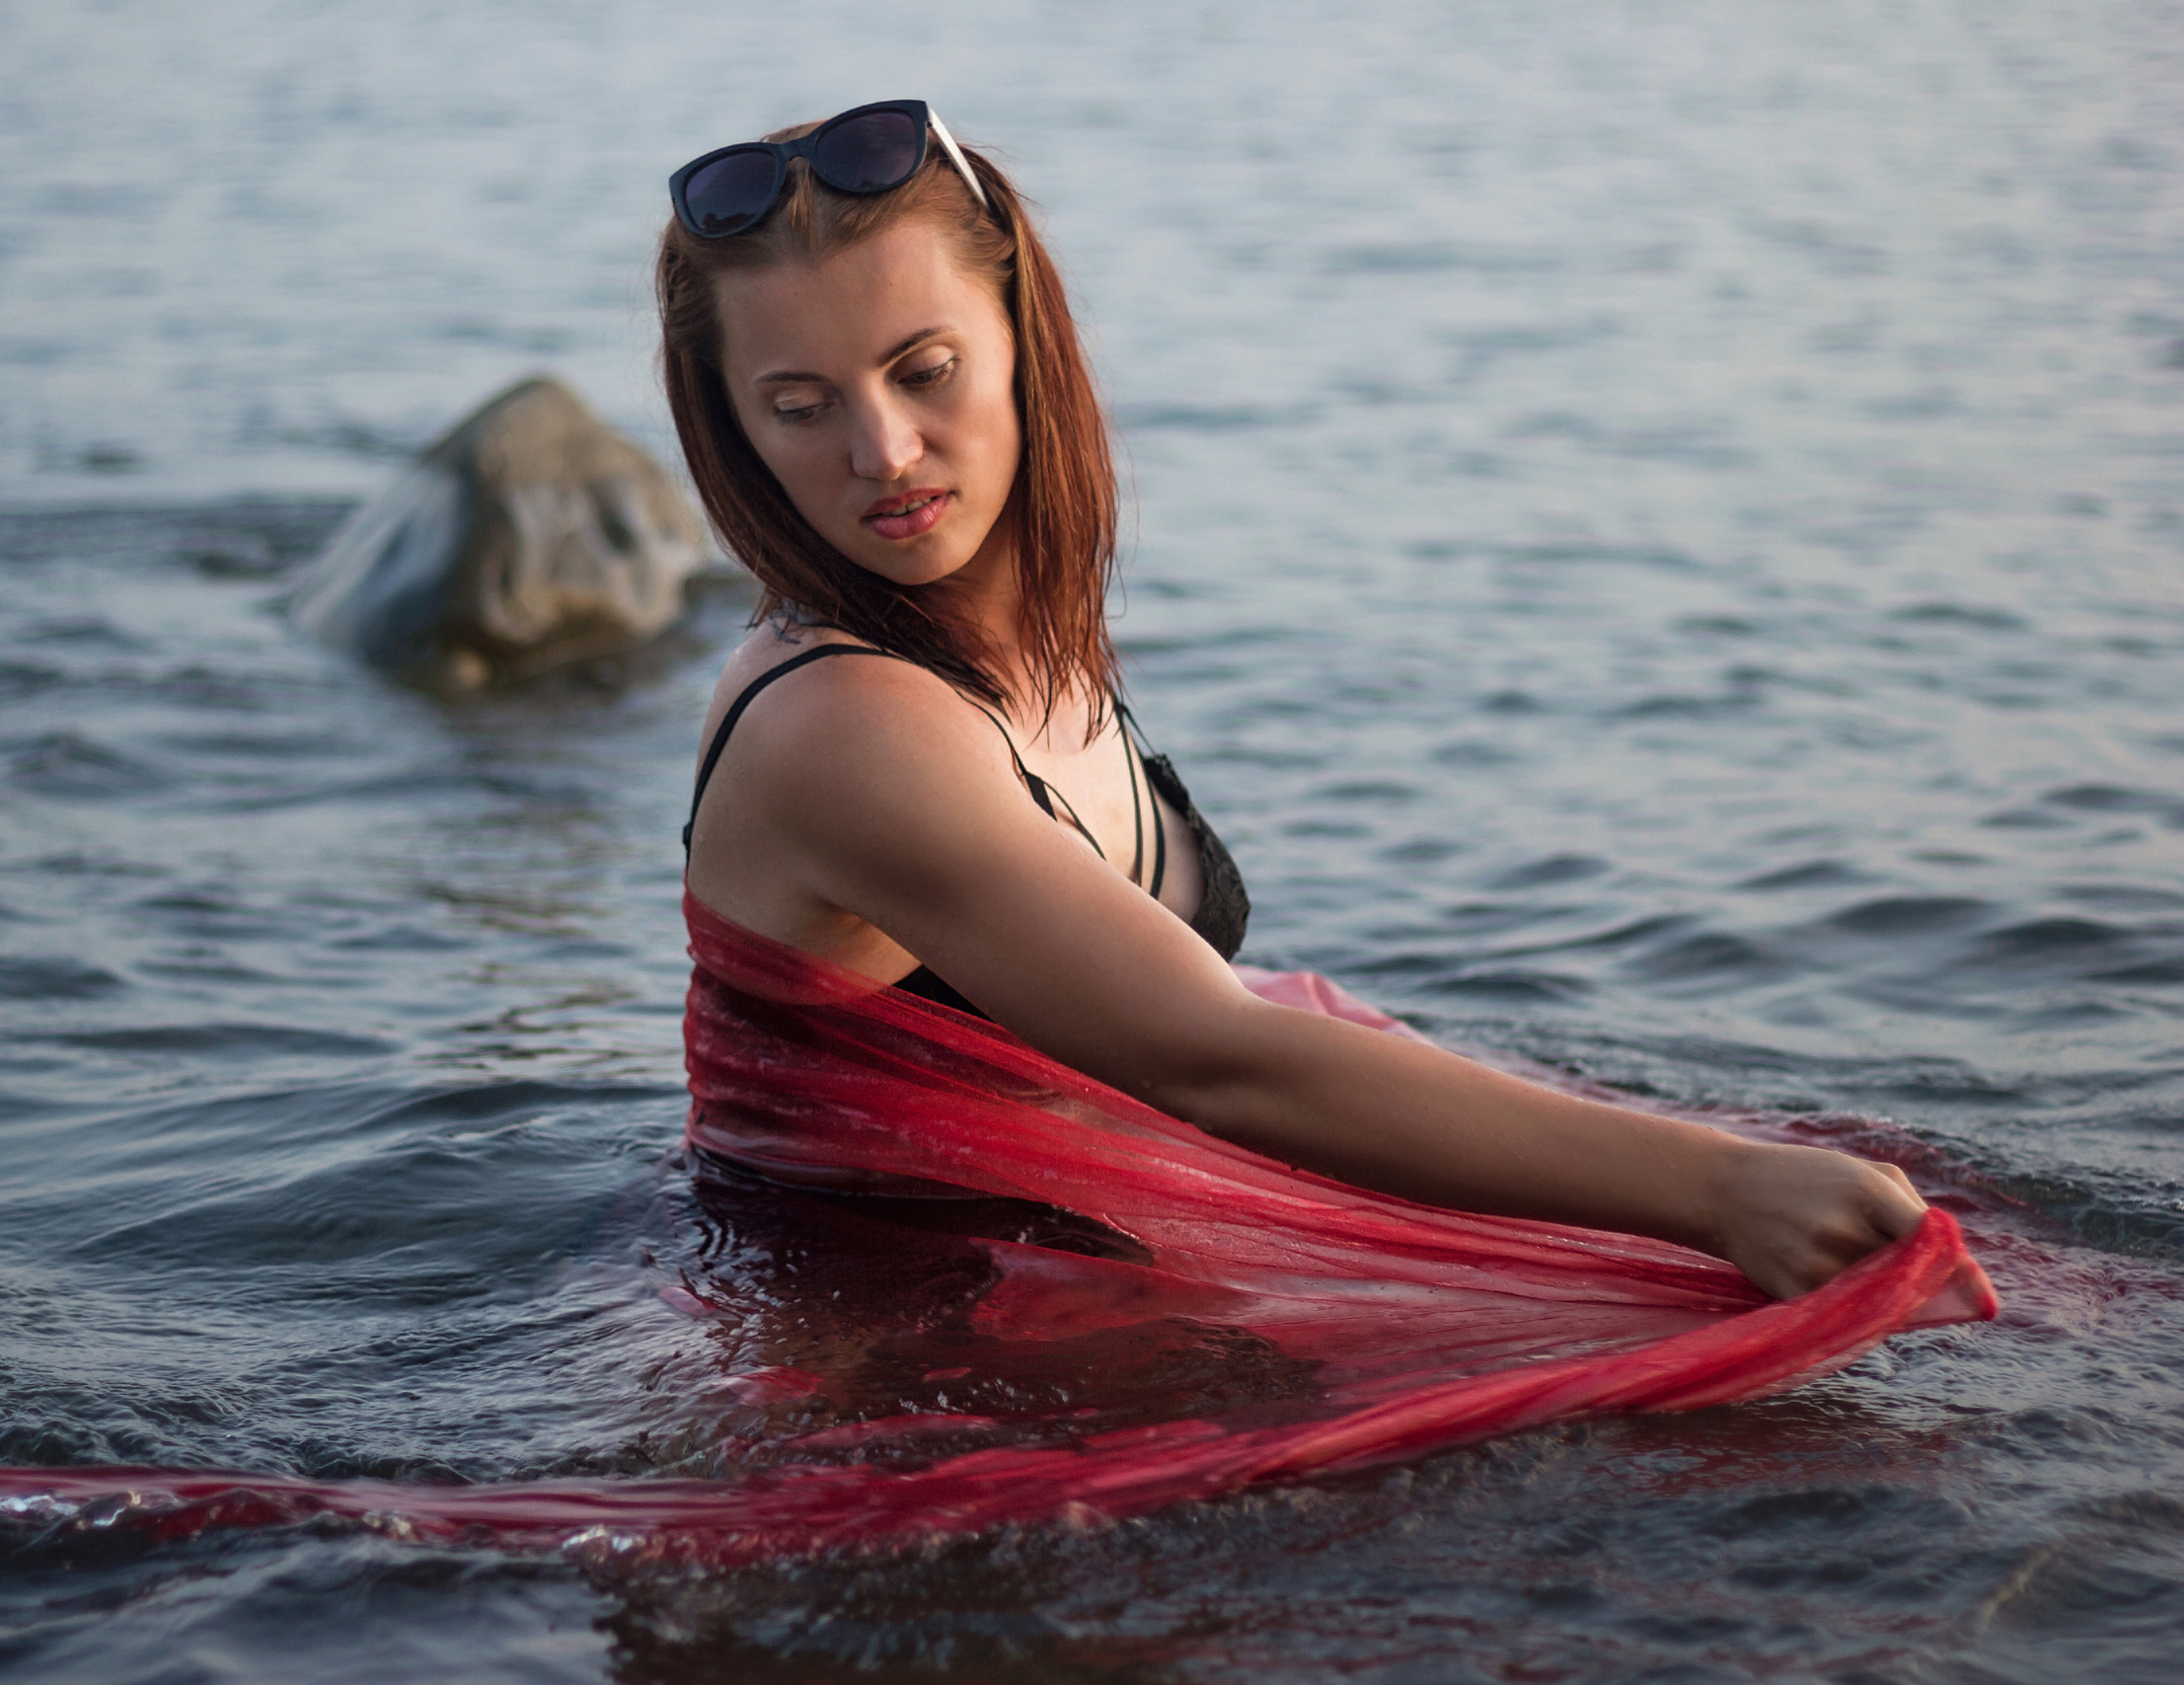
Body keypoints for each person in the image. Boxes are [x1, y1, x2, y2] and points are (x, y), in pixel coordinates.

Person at [660, 100, 1926, 1302]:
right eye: (800, 406)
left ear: (1020, 343)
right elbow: (1204, 1055)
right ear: (736, 431)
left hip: (1094, 1240)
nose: (881, 452)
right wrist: (1718, 1193)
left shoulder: (1016, 627)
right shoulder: (842, 726)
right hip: (895, 1353)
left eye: (924, 370)